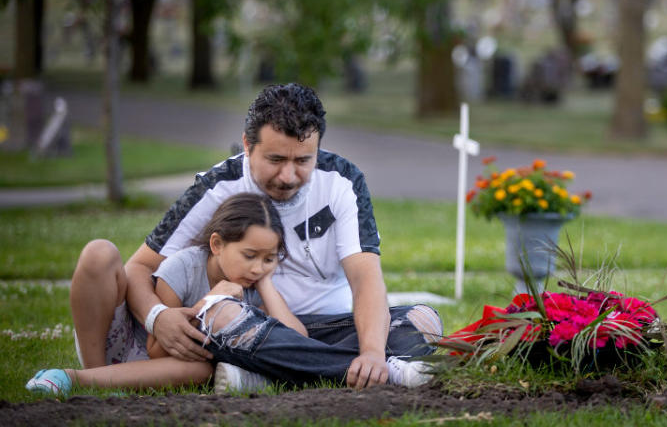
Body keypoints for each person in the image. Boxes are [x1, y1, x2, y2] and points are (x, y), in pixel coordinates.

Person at [64, 83, 441, 392]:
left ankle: (264, 375)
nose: (289, 175)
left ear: (318, 148)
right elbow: (141, 267)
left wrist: (373, 350)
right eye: (276, 160)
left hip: (328, 330)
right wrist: (157, 317)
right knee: (222, 311)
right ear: (247, 145)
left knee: (424, 321)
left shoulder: (344, 181)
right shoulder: (218, 186)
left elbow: (366, 279)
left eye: (303, 160)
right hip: (245, 327)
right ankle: (375, 372)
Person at [27, 192, 306, 394]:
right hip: (123, 346)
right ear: (217, 244)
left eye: (269, 259)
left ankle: (91, 384)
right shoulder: (183, 267)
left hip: (173, 368)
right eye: (249, 255)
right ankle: (87, 377)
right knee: (99, 251)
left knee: (202, 370)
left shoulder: (253, 284)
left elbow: (298, 343)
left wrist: (266, 285)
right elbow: (157, 349)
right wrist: (209, 302)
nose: (258, 267)